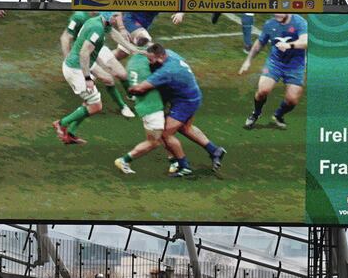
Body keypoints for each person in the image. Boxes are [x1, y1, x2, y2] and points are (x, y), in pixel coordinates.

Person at [127, 43, 226, 177]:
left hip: (185, 103)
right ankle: (215, 151)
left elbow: (141, 88)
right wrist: (145, 53)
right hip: (192, 95)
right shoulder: (170, 53)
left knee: (165, 134)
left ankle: (184, 167)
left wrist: (130, 88)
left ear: (161, 57)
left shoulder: (166, 71)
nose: (149, 62)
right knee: (186, 128)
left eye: (151, 60)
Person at [54, 11, 126, 145]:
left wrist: (132, 48)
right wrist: (87, 78)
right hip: (76, 69)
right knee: (96, 106)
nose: (119, 19)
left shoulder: (99, 22)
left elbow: (109, 37)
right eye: (116, 16)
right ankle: (61, 124)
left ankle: (70, 133)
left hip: (80, 66)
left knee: (90, 101)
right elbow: (82, 52)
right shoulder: (95, 26)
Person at [114, 36, 177, 175]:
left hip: (142, 105)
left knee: (163, 135)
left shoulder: (131, 62)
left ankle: (174, 161)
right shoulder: (149, 61)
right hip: (152, 106)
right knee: (155, 141)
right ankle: (124, 160)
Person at [239, 13, 308, 130]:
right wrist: (248, 61)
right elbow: (259, 43)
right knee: (262, 91)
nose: (277, 15)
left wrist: (289, 45)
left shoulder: (299, 22)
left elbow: (305, 42)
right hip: (274, 63)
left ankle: (278, 115)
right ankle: (256, 113)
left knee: (292, 100)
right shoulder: (270, 24)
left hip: (295, 66)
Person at [59, 10, 133, 118]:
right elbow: (65, 37)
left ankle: (133, 96)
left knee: (122, 74)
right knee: (104, 82)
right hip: (84, 52)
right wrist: (68, 60)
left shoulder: (103, 14)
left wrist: (122, 30)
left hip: (98, 48)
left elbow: (112, 28)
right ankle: (122, 106)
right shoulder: (79, 16)